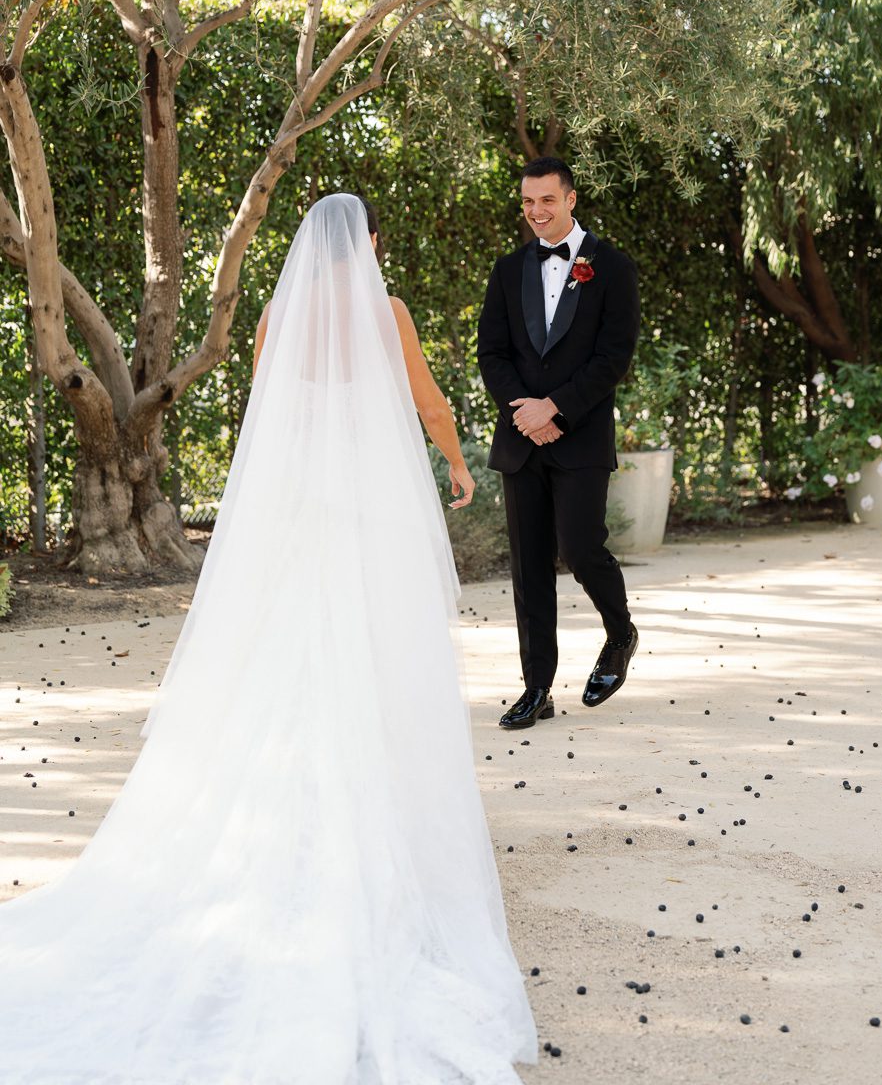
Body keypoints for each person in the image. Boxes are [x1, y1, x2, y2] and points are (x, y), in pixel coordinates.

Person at [0, 193, 538, 1084]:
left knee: (282, 676)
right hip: (365, 526)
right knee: (371, 673)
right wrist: (449, 460)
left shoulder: (283, 312)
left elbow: (268, 414)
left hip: (298, 526)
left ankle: (269, 852)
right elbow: (428, 401)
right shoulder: (386, 311)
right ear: (369, 245)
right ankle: (366, 856)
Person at [477, 156, 641, 732]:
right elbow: (492, 356)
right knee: (528, 568)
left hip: (581, 436)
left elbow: (612, 357)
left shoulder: (612, 267)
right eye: (527, 202)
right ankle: (536, 688)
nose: (536, 212)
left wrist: (559, 409)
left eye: (547, 200)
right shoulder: (506, 270)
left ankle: (620, 634)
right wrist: (526, 412)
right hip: (522, 438)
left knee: (580, 549)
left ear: (571, 199)